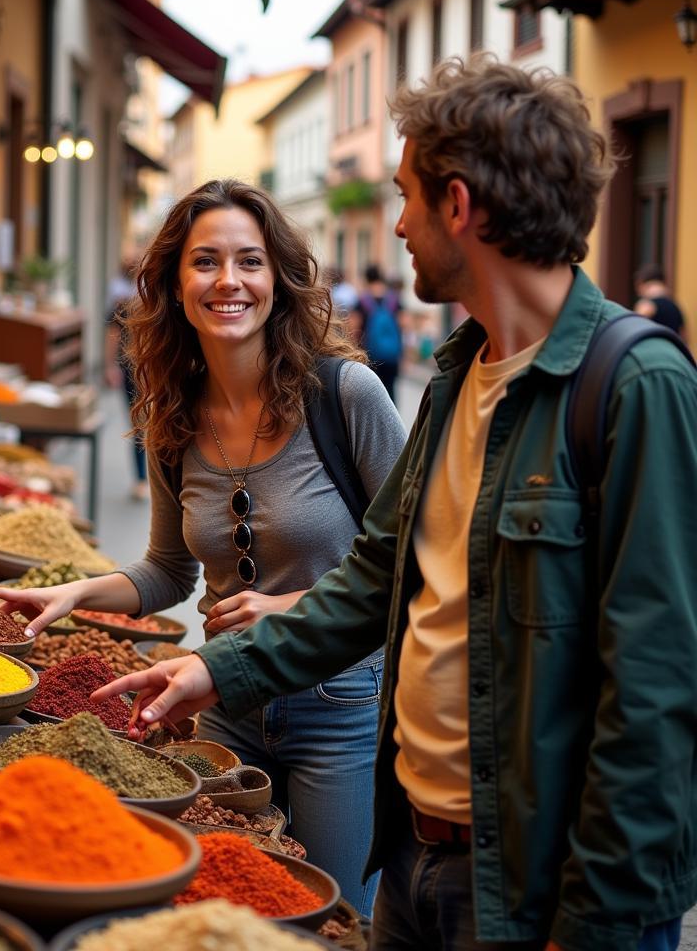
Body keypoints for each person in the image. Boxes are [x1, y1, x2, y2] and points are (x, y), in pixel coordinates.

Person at [94, 58, 697, 951]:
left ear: (459, 205)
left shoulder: (635, 385)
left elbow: (656, 694)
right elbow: (378, 578)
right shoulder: (458, 380)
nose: (399, 224)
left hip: (538, 888)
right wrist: (219, 672)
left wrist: (597, 920)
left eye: (407, 196)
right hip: (417, 851)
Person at [0, 179, 407, 913]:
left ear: (278, 278)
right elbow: (167, 572)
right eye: (206, 261)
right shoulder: (170, 417)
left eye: (249, 261)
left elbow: (423, 556)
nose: (228, 281)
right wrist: (78, 592)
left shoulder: (346, 397)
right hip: (225, 702)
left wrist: (292, 606)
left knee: (331, 916)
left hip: (342, 707)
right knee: (218, 912)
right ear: (176, 285)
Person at [105, 259, 148, 500]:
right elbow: (113, 334)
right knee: (139, 425)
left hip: (154, 370)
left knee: (147, 425)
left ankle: (148, 479)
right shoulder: (123, 304)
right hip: (133, 370)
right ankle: (141, 478)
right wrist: (110, 366)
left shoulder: (161, 301)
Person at [353, 264, 403, 401]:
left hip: (370, 355)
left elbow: (354, 329)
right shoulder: (394, 299)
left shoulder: (362, 301)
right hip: (392, 355)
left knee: (372, 394)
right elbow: (404, 325)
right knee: (391, 390)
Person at [633, 264, 688, 344]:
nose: (638, 293)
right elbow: (684, 337)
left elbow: (633, 329)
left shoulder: (646, 305)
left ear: (643, 284)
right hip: (672, 352)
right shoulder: (675, 306)